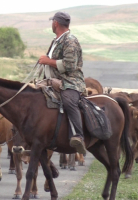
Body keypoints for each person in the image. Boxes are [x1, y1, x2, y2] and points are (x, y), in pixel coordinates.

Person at [38, 11, 87, 155]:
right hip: (51, 81)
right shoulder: (56, 40)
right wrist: (46, 60)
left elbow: (70, 65)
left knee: (69, 101)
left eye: (52, 22)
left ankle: (79, 136)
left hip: (70, 82)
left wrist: (48, 61)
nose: (52, 24)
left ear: (56, 23)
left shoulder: (70, 40)